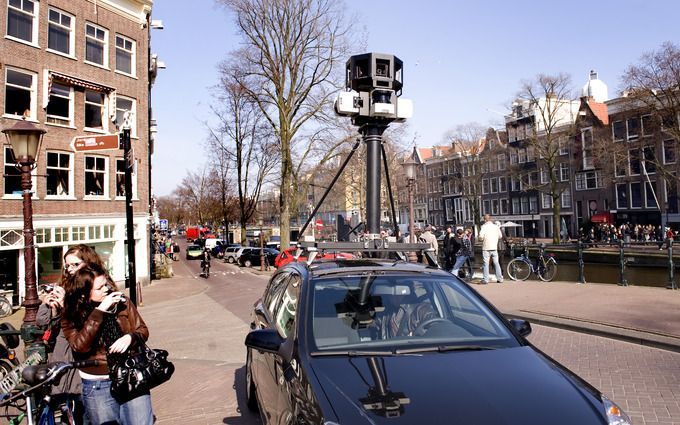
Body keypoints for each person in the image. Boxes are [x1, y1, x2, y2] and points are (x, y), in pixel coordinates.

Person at [61, 264, 154, 425]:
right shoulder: (72, 314)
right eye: (100, 287)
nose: (106, 289)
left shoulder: (122, 302)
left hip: (130, 374)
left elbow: (142, 329)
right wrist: (99, 312)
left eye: (106, 284)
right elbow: (80, 346)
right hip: (98, 383)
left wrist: (130, 338)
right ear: (83, 294)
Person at [36, 244, 106, 424]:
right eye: (67, 266)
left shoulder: (99, 285)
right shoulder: (64, 285)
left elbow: (93, 320)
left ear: (88, 262)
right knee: (71, 408)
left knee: (89, 409)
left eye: (75, 265)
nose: (70, 270)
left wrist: (66, 305)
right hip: (63, 354)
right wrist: (51, 307)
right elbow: (42, 323)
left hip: (87, 357)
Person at [371, 284, 438, 339]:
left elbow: (435, 331)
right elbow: (375, 331)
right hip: (388, 353)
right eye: (390, 294)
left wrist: (417, 336)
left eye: (399, 293)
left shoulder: (422, 310)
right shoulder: (385, 314)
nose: (394, 296)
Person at [478, 214, 504, 284]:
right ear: (490, 219)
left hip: (486, 247)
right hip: (494, 247)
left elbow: (480, 237)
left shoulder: (484, 227)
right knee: (496, 263)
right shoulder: (496, 227)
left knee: (486, 263)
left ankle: (486, 280)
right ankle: (500, 278)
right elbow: (500, 236)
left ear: (485, 220)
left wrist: (481, 239)